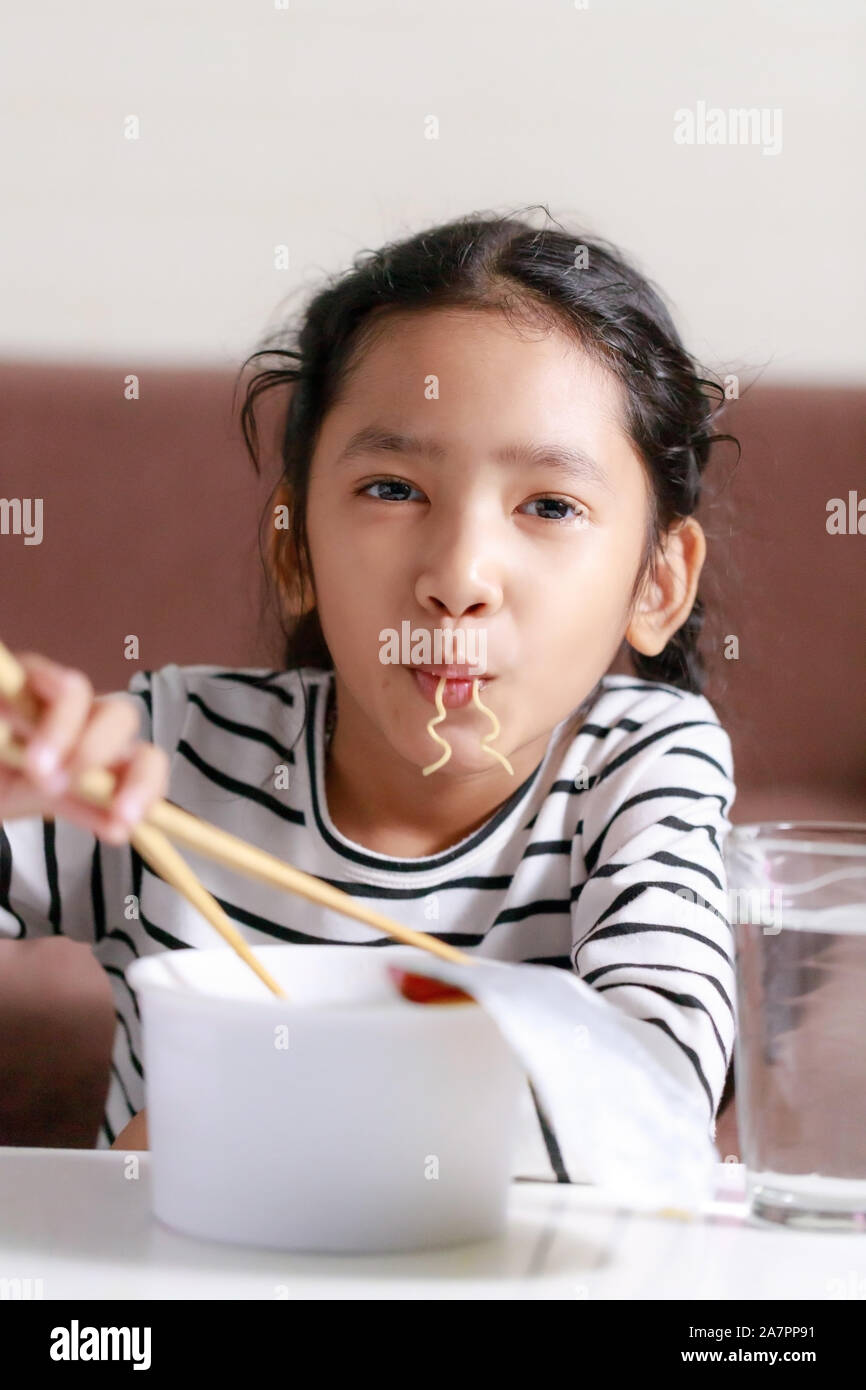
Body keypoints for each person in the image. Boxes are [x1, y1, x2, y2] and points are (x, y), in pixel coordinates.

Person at [0, 207, 739, 1180]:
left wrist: (255, 1119)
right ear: (293, 548)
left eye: (549, 506)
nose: (459, 573)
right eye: (392, 488)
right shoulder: (173, 754)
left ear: (656, 583)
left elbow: (651, 1098)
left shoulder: (638, 763)